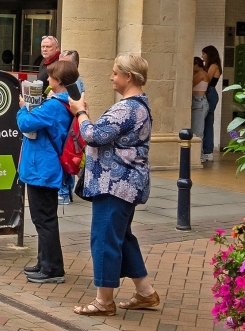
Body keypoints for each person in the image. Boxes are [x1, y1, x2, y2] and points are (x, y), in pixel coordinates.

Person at [68, 54, 159, 317]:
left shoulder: (126, 108)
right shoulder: (139, 105)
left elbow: (92, 136)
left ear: (128, 77)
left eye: (115, 72)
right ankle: (145, 292)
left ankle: (103, 301)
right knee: (123, 237)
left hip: (115, 183)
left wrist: (81, 112)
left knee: (105, 238)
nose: (111, 77)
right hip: (127, 183)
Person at [17, 58, 76, 284]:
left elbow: (26, 124)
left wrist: (23, 109)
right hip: (43, 166)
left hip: (43, 167)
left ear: (59, 80)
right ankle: (44, 262)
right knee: (43, 218)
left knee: (44, 219)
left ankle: (52, 268)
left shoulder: (54, 105)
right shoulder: (61, 102)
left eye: (50, 76)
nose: (47, 79)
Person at [200, 45, 222, 165]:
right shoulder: (213, 65)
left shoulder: (213, 66)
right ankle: (207, 150)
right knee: (208, 121)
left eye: (204, 54)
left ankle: (208, 150)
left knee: (208, 122)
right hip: (210, 93)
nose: (202, 56)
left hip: (210, 93)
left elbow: (206, 79)